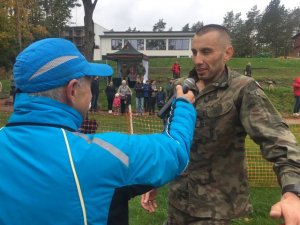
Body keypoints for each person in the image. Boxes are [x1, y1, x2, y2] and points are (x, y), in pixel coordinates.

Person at [0, 38, 197, 225]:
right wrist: (183, 105)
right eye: (90, 81)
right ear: (73, 90)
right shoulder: (102, 155)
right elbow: (175, 150)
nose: (92, 91)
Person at [142, 24, 300, 225]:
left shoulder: (242, 89)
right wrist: (156, 178)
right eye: (194, 52)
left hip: (216, 211)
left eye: (206, 52)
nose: (198, 60)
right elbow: (171, 140)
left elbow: (280, 143)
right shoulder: (182, 86)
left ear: (228, 53)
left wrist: (293, 192)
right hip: (177, 204)